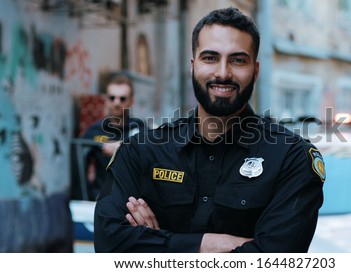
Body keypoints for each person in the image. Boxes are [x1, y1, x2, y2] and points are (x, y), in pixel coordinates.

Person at [94, 7, 325, 252]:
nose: (223, 73)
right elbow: (109, 243)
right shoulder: (140, 150)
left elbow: (274, 260)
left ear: (255, 71)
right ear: (193, 66)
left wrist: (158, 243)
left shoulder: (292, 157)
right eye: (210, 58)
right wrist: (209, 245)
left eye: (238, 60)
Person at [82, 73, 145, 201]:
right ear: (106, 99)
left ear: (131, 101)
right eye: (112, 98)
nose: (116, 103)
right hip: (101, 199)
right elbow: (79, 163)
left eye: (122, 99)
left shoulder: (139, 127)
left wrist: (122, 146)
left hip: (133, 201)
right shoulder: (95, 130)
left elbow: (150, 157)